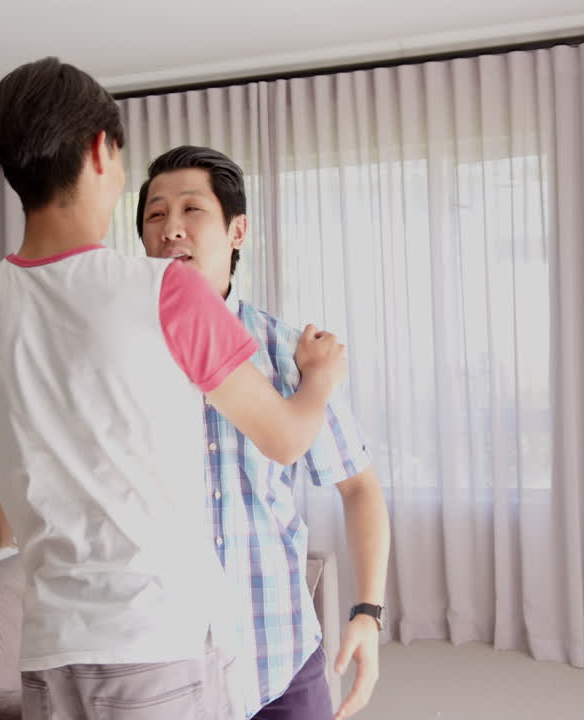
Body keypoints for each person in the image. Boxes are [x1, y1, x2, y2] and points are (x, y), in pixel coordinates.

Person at [0, 58, 349, 720]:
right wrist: (318, 380)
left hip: (51, 654)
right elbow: (285, 439)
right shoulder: (166, 289)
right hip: (161, 643)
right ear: (99, 151)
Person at [136, 146, 390, 720]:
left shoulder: (291, 353)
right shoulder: (123, 353)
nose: (171, 229)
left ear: (237, 231)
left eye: (191, 210)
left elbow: (359, 487)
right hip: (163, 666)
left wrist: (367, 613)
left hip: (280, 659)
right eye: (155, 215)